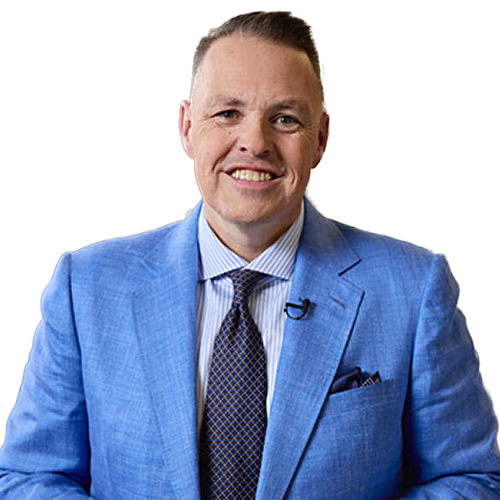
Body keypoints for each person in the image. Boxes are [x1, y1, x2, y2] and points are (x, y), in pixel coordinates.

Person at [1, 10, 500, 500]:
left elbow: (471, 478)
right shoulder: (87, 288)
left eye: (285, 119)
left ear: (319, 138)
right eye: (227, 114)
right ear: (188, 127)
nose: (255, 143)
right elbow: (28, 476)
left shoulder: (413, 289)